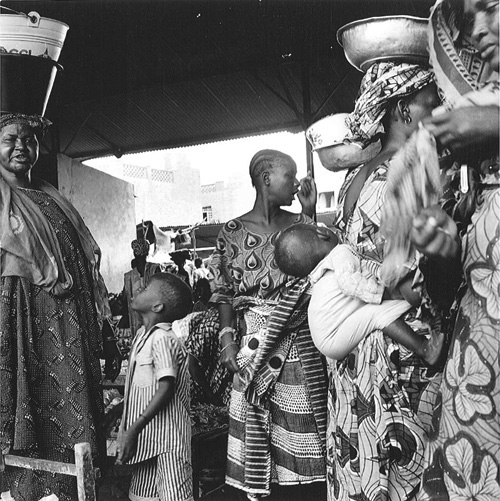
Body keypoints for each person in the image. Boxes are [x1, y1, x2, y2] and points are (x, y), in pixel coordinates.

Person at [313, 61, 443, 501]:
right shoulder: (410, 171)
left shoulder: (356, 175)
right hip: (397, 348)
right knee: (407, 472)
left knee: (361, 467)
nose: (440, 108)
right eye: (432, 101)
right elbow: (412, 274)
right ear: (404, 110)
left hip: (356, 350)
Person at [0, 113, 121, 501]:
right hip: (22, 328)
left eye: (30, 139)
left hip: (72, 331)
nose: (22, 146)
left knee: (75, 420)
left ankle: (70, 492)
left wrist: (103, 328)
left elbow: (84, 270)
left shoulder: (52, 196)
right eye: (10, 138)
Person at [409, 1, 500, 499]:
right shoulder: (474, 172)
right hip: (479, 371)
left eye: (490, 8)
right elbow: (449, 293)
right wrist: (441, 251)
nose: (478, 30)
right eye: (468, 20)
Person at [210, 149, 327, 500]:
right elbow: (223, 294)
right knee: (254, 434)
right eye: (289, 177)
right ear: (265, 179)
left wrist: (309, 212)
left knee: (303, 437)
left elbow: (317, 267)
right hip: (252, 349)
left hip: (298, 346)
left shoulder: (299, 225)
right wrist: (228, 341)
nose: (296, 184)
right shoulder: (230, 233)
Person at [274, 223, 445, 365]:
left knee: (387, 303)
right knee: (377, 314)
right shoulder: (340, 252)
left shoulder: (322, 273)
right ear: (324, 233)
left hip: (327, 336)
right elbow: (349, 282)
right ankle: (424, 349)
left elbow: (367, 270)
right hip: (331, 335)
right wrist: (385, 292)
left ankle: (422, 304)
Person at [116, 273, 193, 501]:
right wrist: (118, 413)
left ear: (157, 306)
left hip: (168, 443)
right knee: (141, 497)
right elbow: (140, 387)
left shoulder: (163, 339)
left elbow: (165, 388)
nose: (139, 287)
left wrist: (133, 429)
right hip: (146, 442)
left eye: (146, 287)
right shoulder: (141, 336)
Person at [118, 238, 161, 340]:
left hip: (139, 321)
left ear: (134, 254)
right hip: (153, 317)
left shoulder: (129, 276)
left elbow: (125, 299)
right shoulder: (155, 269)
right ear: (147, 253)